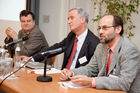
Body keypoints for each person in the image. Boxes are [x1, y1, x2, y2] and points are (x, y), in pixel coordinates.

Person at [60, 14, 140, 92]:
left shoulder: (129, 50)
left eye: (105, 28)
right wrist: (72, 72)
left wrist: (92, 81)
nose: (100, 31)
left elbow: (124, 83)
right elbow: (90, 69)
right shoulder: (101, 47)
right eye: (99, 28)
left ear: (118, 29)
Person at [32, 7, 99, 69]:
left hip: (79, 78)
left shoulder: (94, 42)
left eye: (72, 18)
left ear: (82, 19)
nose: (69, 22)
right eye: (68, 19)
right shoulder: (71, 36)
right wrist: (33, 59)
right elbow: (56, 48)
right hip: (63, 76)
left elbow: (92, 69)